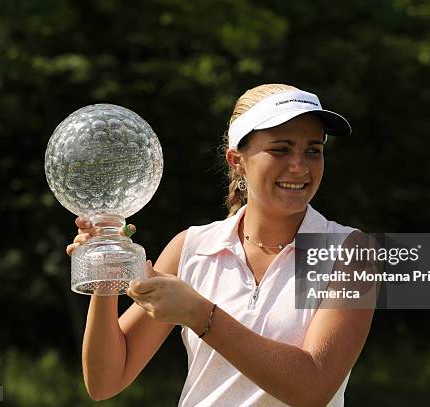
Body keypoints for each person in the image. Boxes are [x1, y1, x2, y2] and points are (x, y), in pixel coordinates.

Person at [66, 83, 375, 406]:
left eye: (313, 150)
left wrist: (200, 315)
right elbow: (105, 382)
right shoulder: (192, 247)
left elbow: (313, 388)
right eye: (281, 149)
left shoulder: (352, 252)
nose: (299, 166)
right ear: (237, 161)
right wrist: (104, 275)